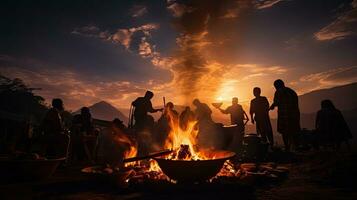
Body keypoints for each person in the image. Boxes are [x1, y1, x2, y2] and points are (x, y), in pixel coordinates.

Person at [270, 79, 300, 151]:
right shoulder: (291, 91)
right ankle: (295, 147)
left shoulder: (278, 92)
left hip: (284, 115)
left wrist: (272, 107)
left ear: (276, 86)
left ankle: (287, 147)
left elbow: (276, 102)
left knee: (284, 131)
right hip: (294, 115)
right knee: (293, 131)